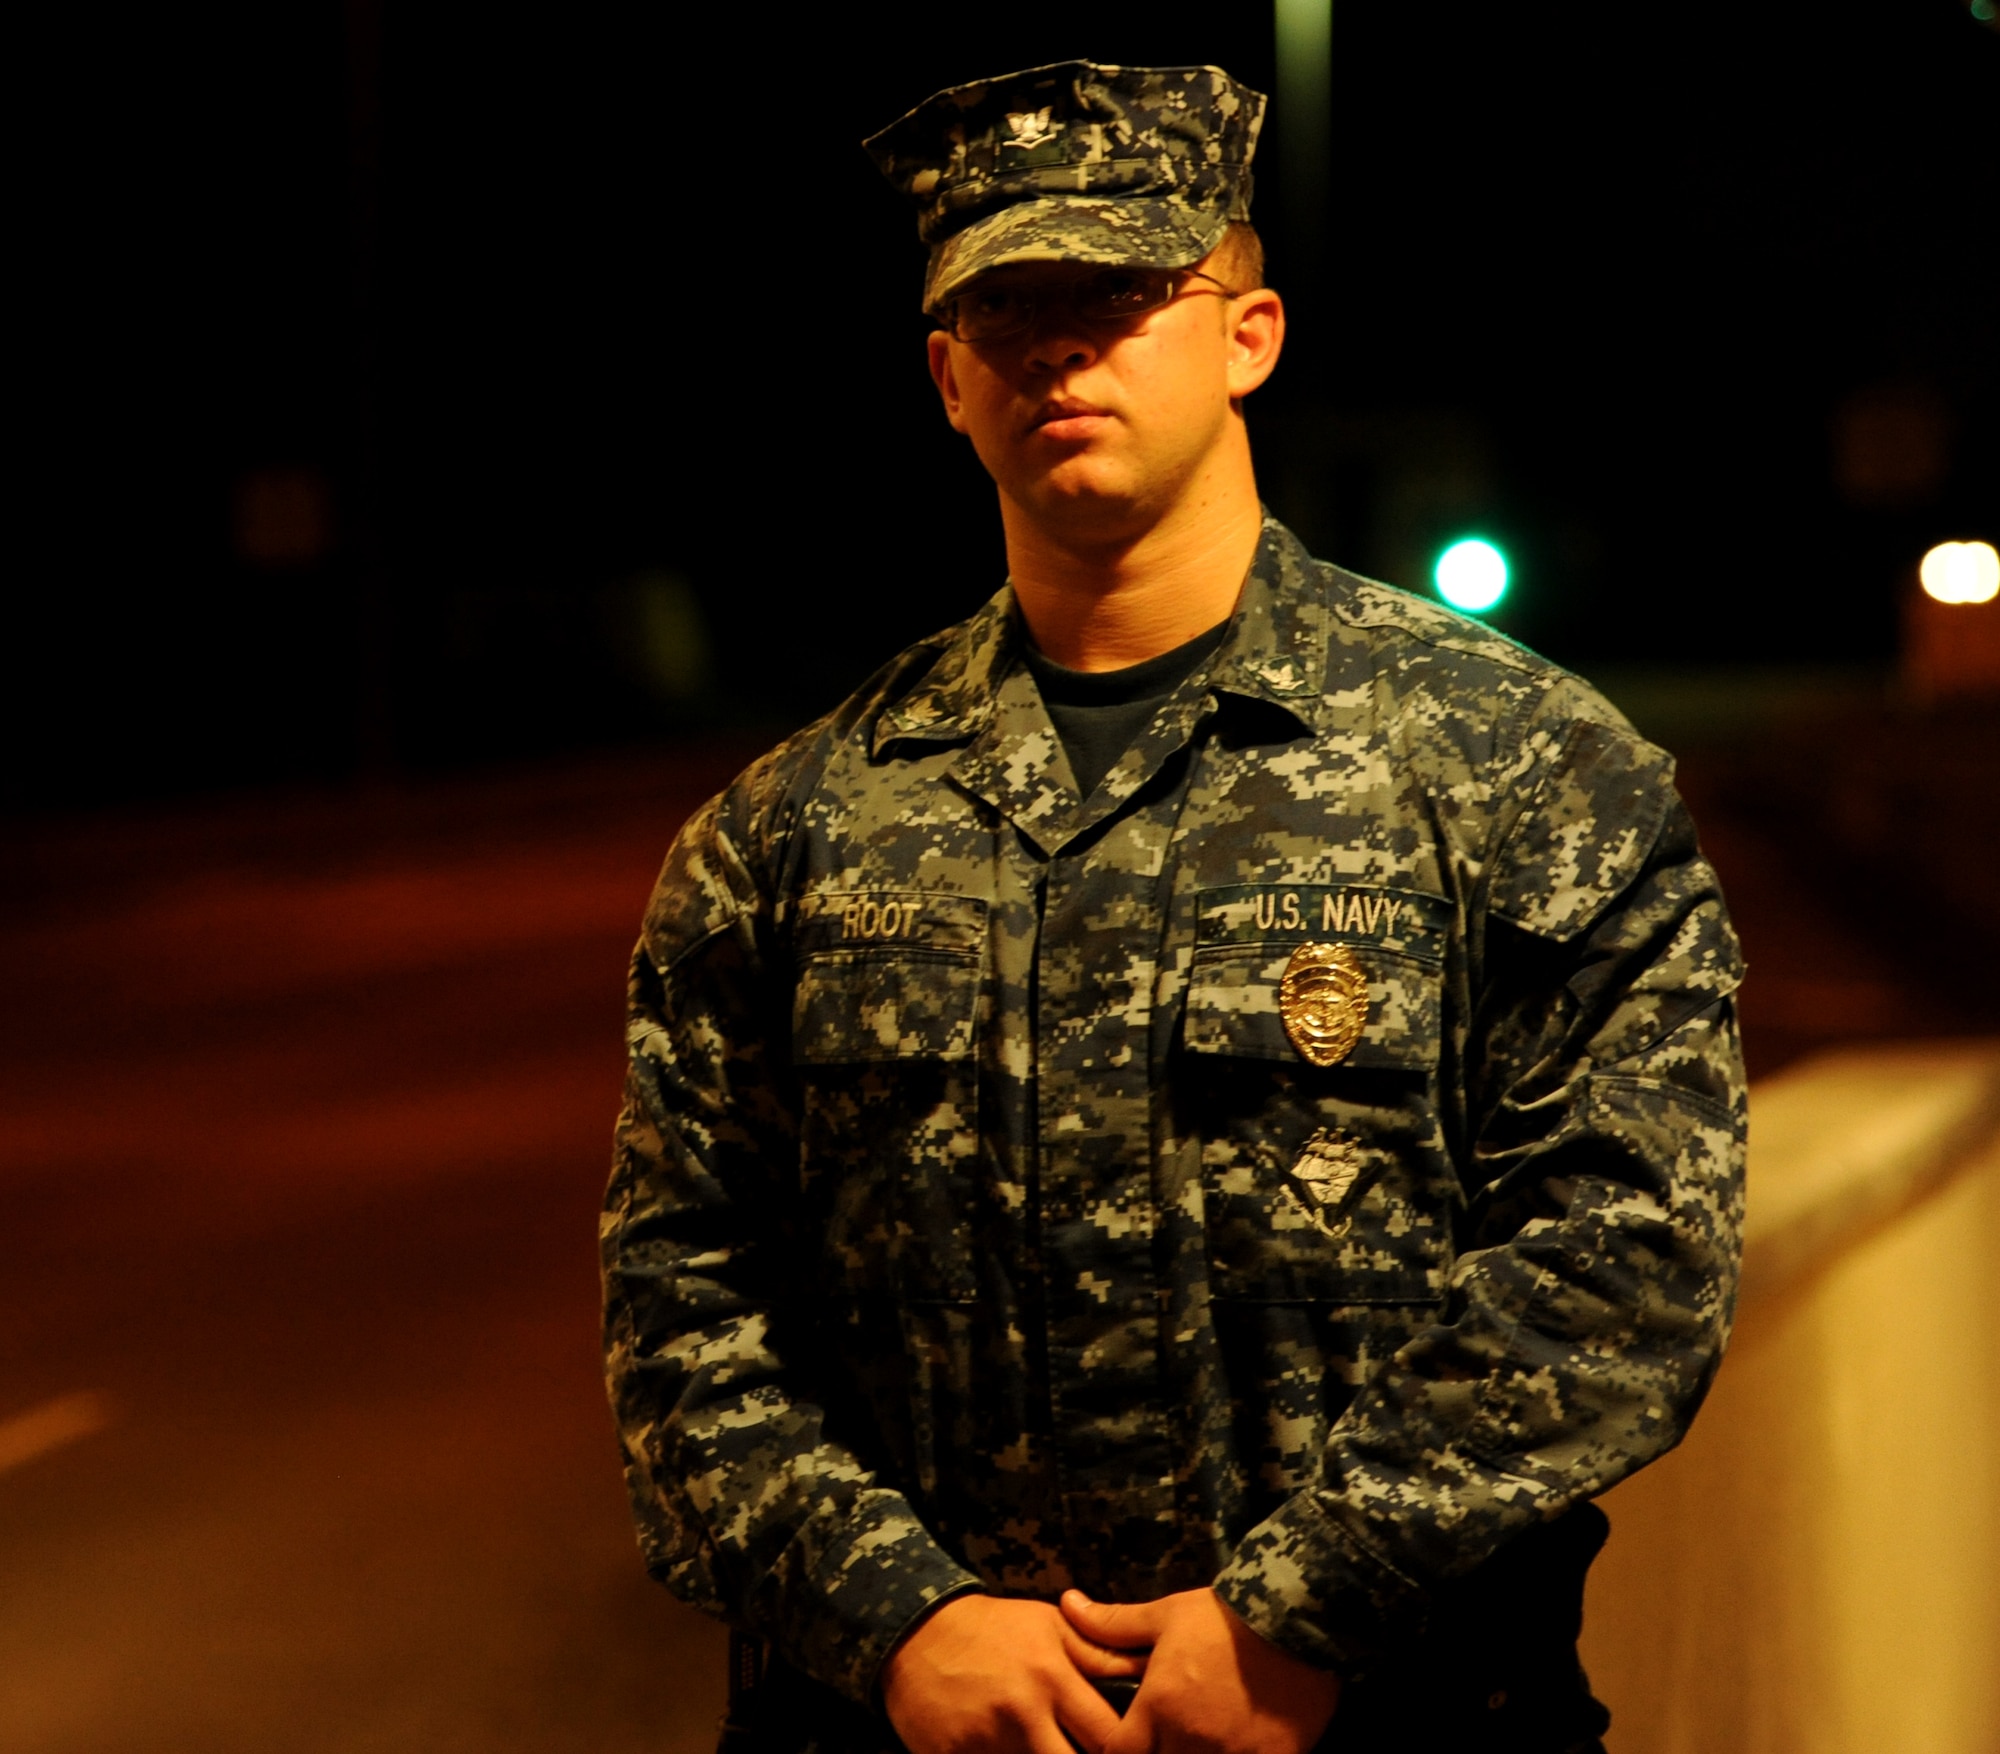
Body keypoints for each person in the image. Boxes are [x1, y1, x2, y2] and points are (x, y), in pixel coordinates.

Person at [602, 60, 1746, 1754]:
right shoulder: (792, 829)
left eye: (1122, 295)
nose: (1061, 346)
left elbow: (1629, 1252)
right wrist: (894, 1614)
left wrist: (1310, 1609)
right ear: (947, 379)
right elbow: (681, 1305)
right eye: (1007, 309)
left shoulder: (1523, 770)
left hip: (1392, 1717)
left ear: (1248, 334)